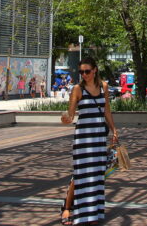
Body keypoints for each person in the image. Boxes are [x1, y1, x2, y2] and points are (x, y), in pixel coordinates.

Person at [60, 56, 118, 225]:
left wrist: (114, 130)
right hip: (83, 138)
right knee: (80, 175)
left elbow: (107, 110)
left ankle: (93, 213)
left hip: (99, 136)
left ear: (95, 70)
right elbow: (70, 114)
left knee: (97, 176)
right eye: (81, 72)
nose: (84, 74)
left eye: (87, 71)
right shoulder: (77, 89)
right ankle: (67, 208)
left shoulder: (103, 87)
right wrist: (66, 119)